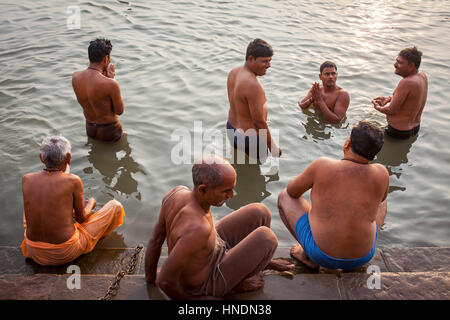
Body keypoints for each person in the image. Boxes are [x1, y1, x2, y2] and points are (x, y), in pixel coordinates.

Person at [145, 154, 293, 299]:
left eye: (232, 189)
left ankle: (258, 265)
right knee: (267, 238)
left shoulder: (175, 193)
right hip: (208, 281)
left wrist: (149, 280)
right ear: (203, 190)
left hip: (211, 250)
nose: (232, 195)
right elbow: (164, 281)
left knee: (260, 212)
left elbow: (156, 241)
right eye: (226, 191)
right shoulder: (198, 229)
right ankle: (234, 285)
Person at [278, 121, 389, 270]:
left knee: (284, 196)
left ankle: (307, 255)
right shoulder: (382, 173)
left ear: (347, 143)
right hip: (363, 256)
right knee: (382, 201)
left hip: (322, 256)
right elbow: (379, 200)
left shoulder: (322, 165)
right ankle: (360, 243)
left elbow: (292, 191)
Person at [21, 136, 125, 266]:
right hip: (64, 252)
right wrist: (91, 203)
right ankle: (96, 237)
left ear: (41, 157)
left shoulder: (26, 179)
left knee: (31, 205)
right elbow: (82, 219)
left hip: (33, 250)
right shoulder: (73, 180)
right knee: (115, 206)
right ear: (68, 158)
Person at [226, 39, 281, 162]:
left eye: (270, 61)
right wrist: (272, 147)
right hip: (249, 138)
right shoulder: (253, 85)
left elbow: (239, 104)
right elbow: (258, 123)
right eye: (264, 61)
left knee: (238, 163)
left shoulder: (234, 72)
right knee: (258, 170)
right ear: (251, 59)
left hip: (231, 128)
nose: (269, 65)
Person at [72, 38, 125, 142]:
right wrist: (112, 79)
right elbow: (119, 111)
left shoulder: (75, 77)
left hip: (90, 128)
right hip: (110, 130)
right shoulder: (111, 84)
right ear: (106, 58)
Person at [372, 47, 428, 139]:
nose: (395, 65)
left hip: (398, 132)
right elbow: (411, 99)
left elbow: (391, 110)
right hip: (414, 128)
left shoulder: (407, 82)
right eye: (396, 61)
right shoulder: (422, 75)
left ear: (411, 66)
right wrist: (389, 99)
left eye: (399, 62)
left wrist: (378, 107)